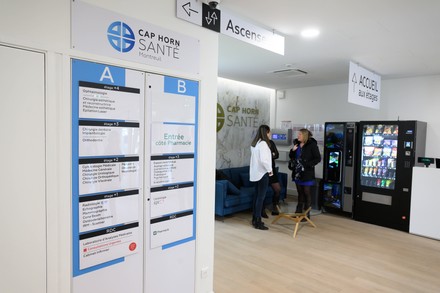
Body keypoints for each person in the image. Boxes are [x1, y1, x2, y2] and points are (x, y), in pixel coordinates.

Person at [289, 128, 321, 217]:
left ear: (305, 136)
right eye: (298, 134)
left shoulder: (312, 145)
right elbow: (291, 157)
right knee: (300, 193)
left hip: (307, 173)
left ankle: (306, 214)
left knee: (306, 192)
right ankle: (298, 212)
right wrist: (292, 150)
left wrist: (306, 165)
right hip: (297, 172)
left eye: (300, 134)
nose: (298, 136)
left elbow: (317, 158)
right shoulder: (297, 144)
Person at [250, 124, 273, 230]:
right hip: (262, 173)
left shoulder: (255, 143)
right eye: (270, 132)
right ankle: (258, 221)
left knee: (256, 196)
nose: (271, 134)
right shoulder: (263, 144)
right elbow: (264, 160)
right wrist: (270, 170)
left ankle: (255, 218)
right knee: (260, 197)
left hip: (255, 173)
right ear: (266, 132)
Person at [268, 130, 281, 216]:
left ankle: (275, 208)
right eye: (269, 132)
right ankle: (261, 210)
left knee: (277, 189)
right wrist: (271, 154)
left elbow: (276, 154)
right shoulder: (261, 144)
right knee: (263, 191)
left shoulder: (271, 142)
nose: (270, 134)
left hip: (272, 170)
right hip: (264, 171)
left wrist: (271, 154)